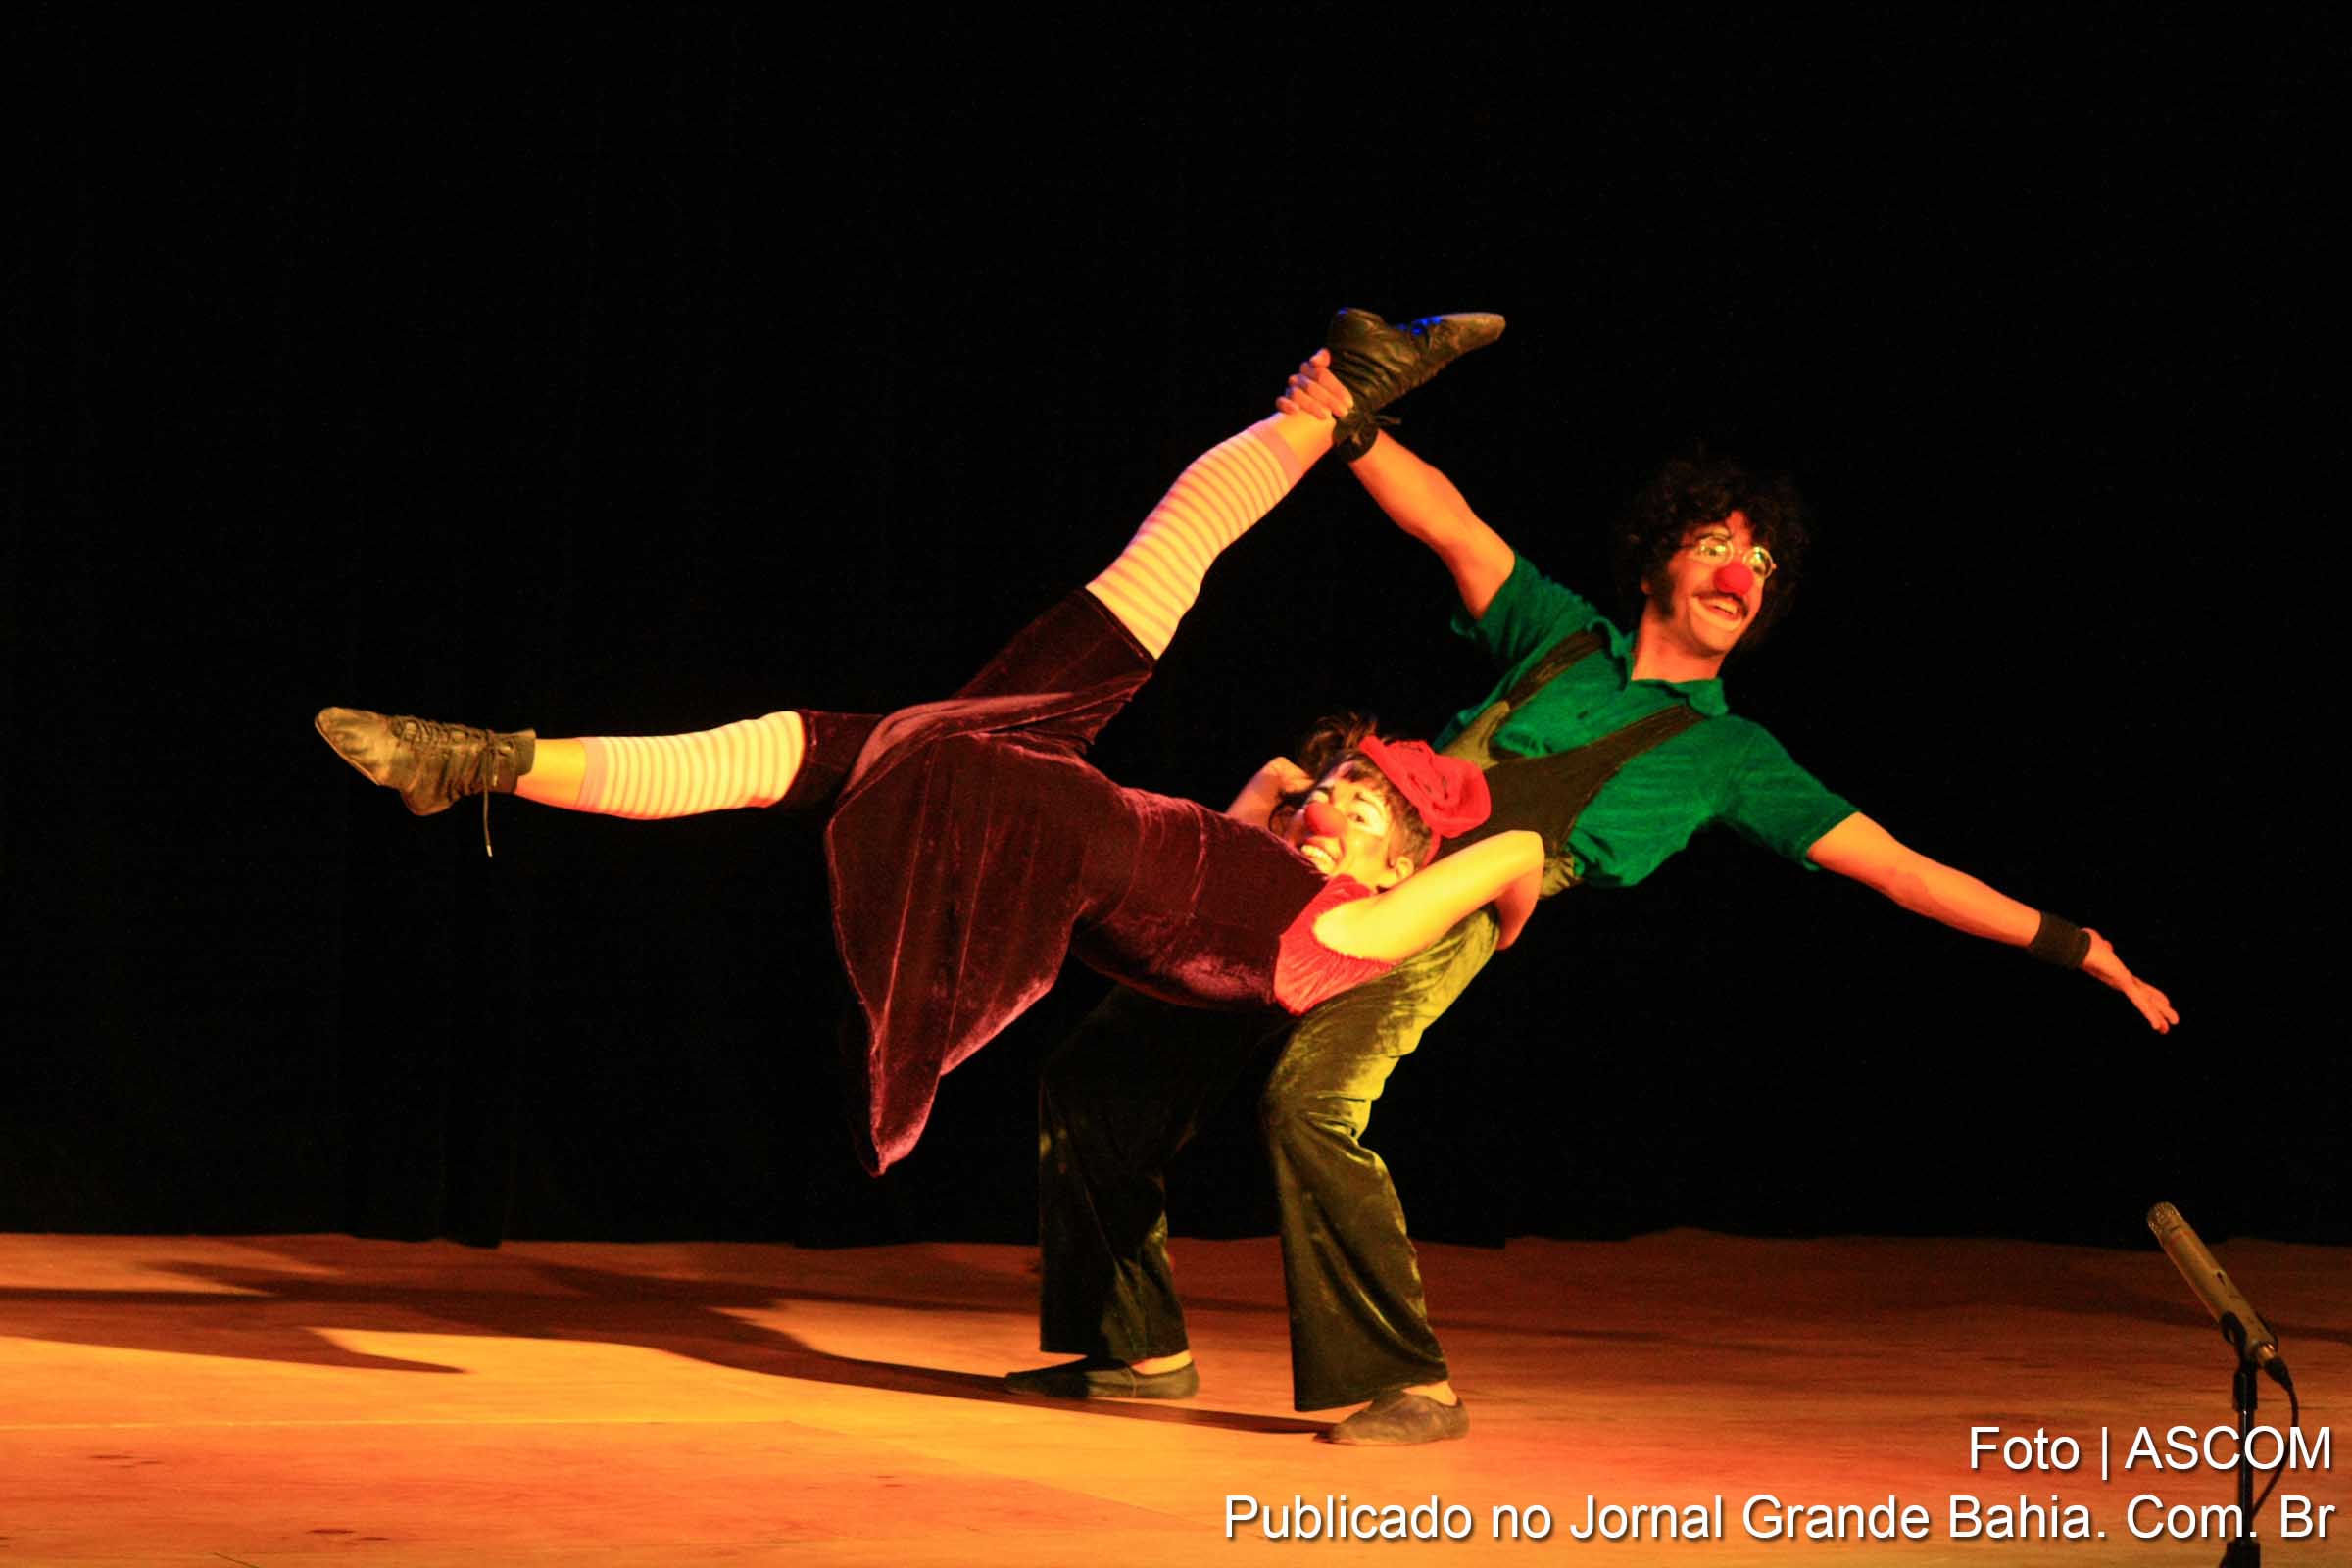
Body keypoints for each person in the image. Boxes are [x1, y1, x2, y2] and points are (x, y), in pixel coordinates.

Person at [1015, 348, 2177, 1446]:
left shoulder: (1734, 757)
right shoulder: (1564, 635)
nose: (1741, 570)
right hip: (1347, 850)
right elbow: (1451, 525)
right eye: (1722, 542)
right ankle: (1133, 1344)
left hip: (1455, 913)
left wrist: (2079, 946)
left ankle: (1406, 1379)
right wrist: (1350, 423)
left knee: (1312, 1100)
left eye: (1763, 562)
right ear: (1658, 555)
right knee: (1101, 1074)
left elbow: (1908, 871)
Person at [316, 313, 1544, 1175]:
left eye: (1364, 804)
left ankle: (1348, 402)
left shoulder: (1351, 937)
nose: (1329, 798)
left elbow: (1511, 843)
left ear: (1398, 868)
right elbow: (1267, 791)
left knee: (828, 745)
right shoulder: (1272, 864)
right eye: (1338, 784)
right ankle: (480, 759)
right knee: (816, 733)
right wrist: (1309, 783)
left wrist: (1501, 892)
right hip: (1033, 774)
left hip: (1028, 819)